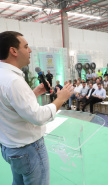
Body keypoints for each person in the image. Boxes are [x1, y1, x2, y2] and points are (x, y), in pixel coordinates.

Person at [0, 31, 74, 185]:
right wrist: (60, 99)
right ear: (13, 51)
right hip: (28, 149)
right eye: (26, 46)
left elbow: (9, 106)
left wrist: (33, 93)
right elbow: (37, 117)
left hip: (10, 147)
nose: (30, 50)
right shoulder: (14, 81)